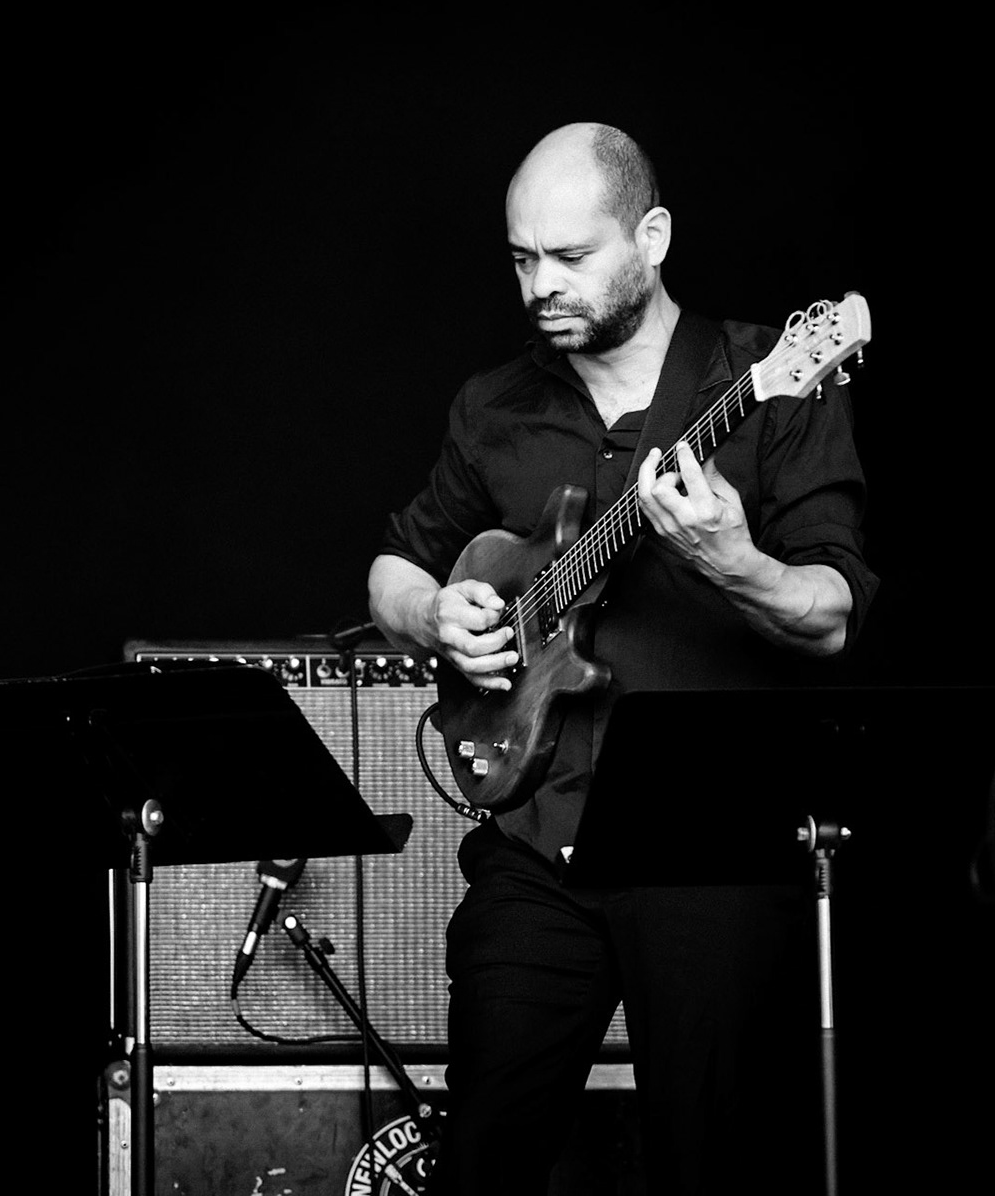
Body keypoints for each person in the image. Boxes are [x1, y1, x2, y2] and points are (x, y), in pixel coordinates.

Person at [367, 121, 877, 1194]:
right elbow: (391, 567)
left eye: (570, 256)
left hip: (709, 847)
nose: (538, 285)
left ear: (652, 235)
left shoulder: (769, 379)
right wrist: (432, 615)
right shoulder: (496, 405)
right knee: (479, 1164)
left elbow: (830, 612)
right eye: (521, 258)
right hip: (534, 838)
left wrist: (733, 560)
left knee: (712, 1165)